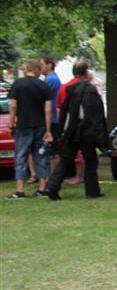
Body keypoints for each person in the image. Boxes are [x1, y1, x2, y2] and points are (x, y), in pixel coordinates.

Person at [44, 64, 106, 200]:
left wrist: (63, 131)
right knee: (90, 160)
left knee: (66, 159)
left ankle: (51, 187)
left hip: (71, 130)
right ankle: (92, 190)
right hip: (86, 131)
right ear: (86, 72)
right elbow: (95, 113)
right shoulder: (90, 89)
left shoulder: (68, 89)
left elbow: (62, 110)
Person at [6, 59, 52, 199]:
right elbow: (48, 109)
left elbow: (13, 105)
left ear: (26, 69)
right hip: (40, 125)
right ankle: (42, 188)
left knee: (21, 155)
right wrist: (48, 129)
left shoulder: (18, 84)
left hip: (24, 125)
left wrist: (11, 123)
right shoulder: (43, 85)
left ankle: (20, 189)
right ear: (37, 70)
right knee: (41, 155)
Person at [40, 57, 62, 174]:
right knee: (52, 148)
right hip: (52, 118)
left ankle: (53, 175)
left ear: (50, 65)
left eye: (42, 64)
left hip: (52, 119)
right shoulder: (50, 79)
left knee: (52, 148)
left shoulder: (51, 80)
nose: (40, 67)